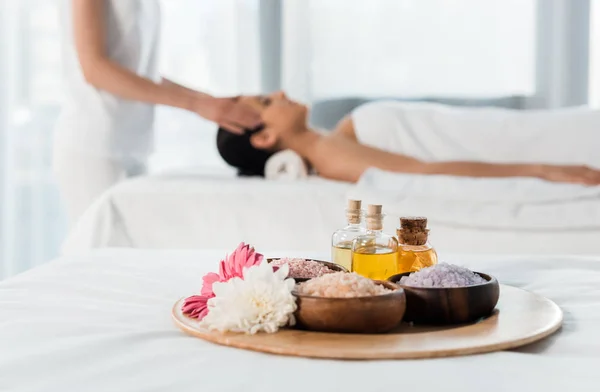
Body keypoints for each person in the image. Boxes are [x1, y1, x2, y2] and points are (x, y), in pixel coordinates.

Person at [53, 0, 262, 225]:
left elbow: (141, 76)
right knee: (101, 251)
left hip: (133, 145)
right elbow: (95, 69)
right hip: (93, 145)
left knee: (133, 252)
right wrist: (198, 104)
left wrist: (211, 103)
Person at [216, 92, 600, 185]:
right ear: (265, 137)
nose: (281, 94)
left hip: (504, 129)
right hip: (521, 140)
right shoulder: (328, 154)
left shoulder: (331, 141)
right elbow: (426, 170)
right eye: (268, 101)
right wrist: (542, 168)